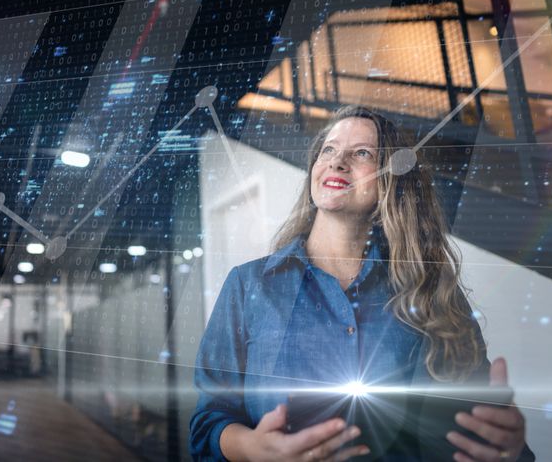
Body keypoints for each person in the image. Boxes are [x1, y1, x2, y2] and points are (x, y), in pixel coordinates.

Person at [189, 106, 532, 461]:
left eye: (362, 153)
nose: (338, 162)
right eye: (329, 150)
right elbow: (209, 420)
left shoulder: (432, 293)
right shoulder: (249, 285)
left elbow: (472, 431)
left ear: (393, 181)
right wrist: (251, 448)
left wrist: (505, 447)